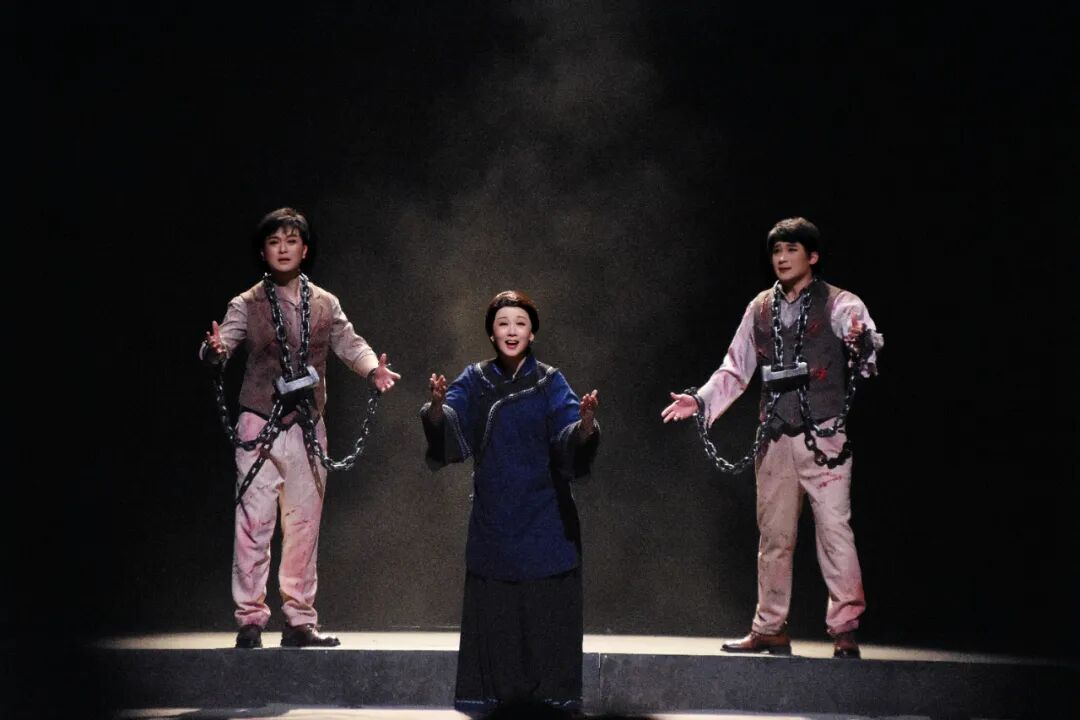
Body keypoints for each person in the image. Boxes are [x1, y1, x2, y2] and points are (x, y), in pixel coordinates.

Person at [661, 217, 883, 659]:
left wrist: (862, 342)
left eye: (791, 250)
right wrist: (700, 401)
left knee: (835, 533)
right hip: (776, 436)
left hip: (824, 438)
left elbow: (864, 340)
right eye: (776, 251)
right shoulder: (760, 307)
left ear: (812, 256)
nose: (781, 258)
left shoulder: (840, 302)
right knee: (774, 537)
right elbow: (735, 366)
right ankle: (769, 628)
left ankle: (844, 629)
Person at [200, 207, 401, 649]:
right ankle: (250, 620)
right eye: (275, 242)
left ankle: (299, 621)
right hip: (259, 422)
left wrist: (373, 370)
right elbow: (222, 345)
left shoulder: (325, 302)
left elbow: (350, 343)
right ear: (263, 251)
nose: (283, 249)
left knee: (304, 526)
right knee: (254, 524)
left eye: (291, 241)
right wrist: (213, 351)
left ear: (305, 249)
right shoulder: (246, 303)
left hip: (307, 426)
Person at [421, 290, 600, 714]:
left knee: (544, 612)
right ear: (491, 333)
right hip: (495, 516)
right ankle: (491, 703)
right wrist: (436, 408)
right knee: (496, 614)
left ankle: (551, 702)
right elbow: (449, 424)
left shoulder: (549, 381)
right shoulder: (476, 379)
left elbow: (570, 434)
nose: (512, 330)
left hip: (545, 516)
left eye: (520, 323)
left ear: (532, 332)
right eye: (503, 323)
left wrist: (586, 425)